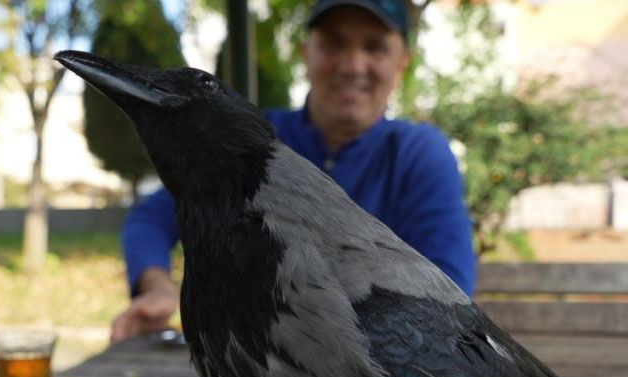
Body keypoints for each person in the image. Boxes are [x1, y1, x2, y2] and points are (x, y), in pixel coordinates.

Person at [111, 0, 477, 342]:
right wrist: (158, 287)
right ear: (306, 54)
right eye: (333, 45)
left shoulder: (417, 153)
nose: (352, 65)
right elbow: (152, 218)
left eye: (375, 47)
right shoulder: (251, 138)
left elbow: (447, 289)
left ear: (402, 63)